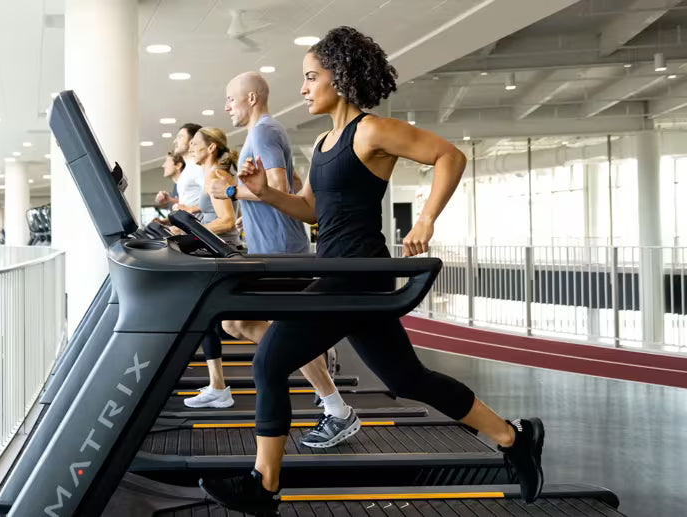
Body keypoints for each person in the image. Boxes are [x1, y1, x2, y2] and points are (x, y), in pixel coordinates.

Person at [199, 27, 545, 514]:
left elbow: (450, 155)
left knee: (270, 360)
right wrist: (265, 190)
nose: (303, 88)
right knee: (407, 379)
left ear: (338, 79)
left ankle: (264, 485)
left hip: (357, 274)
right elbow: (313, 212)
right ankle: (513, 437)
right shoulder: (322, 143)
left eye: (310, 77)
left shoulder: (371, 130)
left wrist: (425, 218)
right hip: (343, 271)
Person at [190, 72, 359, 452]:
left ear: (251, 98)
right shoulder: (263, 134)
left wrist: (231, 190)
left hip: (281, 252)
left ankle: (337, 409)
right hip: (274, 248)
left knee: (251, 325)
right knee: (238, 322)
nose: (226, 107)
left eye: (231, 100)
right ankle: (315, 361)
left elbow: (278, 190)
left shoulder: (265, 131)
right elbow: (296, 187)